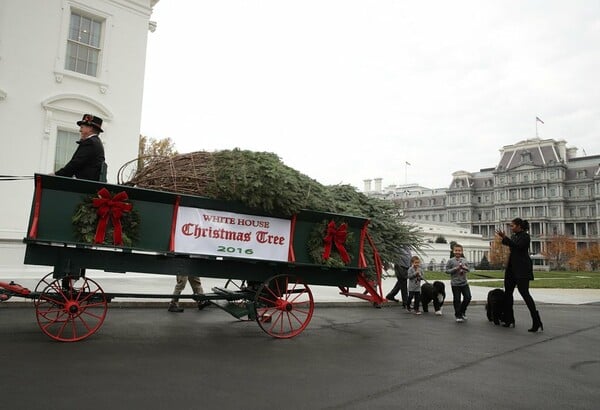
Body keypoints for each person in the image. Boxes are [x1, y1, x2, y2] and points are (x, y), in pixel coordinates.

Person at [496, 218, 543, 332]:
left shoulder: (525, 236)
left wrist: (505, 237)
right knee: (508, 294)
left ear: (519, 226)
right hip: (512, 268)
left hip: (522, 269)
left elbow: (517, 246)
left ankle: (536, 320)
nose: (511, 228)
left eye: (512, 226)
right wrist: (505, 238)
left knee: (524, 293)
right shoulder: (514, 236)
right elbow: (510, 244)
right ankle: (509, 319)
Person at [54, 114, 106, 181]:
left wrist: (57, 175)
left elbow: (76, 163)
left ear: (90, 128)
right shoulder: (96, 142)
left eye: (82, 127)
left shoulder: (90, 142)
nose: (80, 130)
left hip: (84, 184)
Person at [445, 243, 471, 323]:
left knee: (468, 297)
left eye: (459, 251)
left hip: (464, 283)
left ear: (462, 251)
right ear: (453, 251)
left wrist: (464, 268)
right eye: (456, 250)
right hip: (455, 284)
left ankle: (462, 311)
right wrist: (455, 269)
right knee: (457, 299)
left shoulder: (464, 260)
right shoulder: (450, 261)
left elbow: (469, 269)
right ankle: (458, 315)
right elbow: (447, 271)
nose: (457, 252)